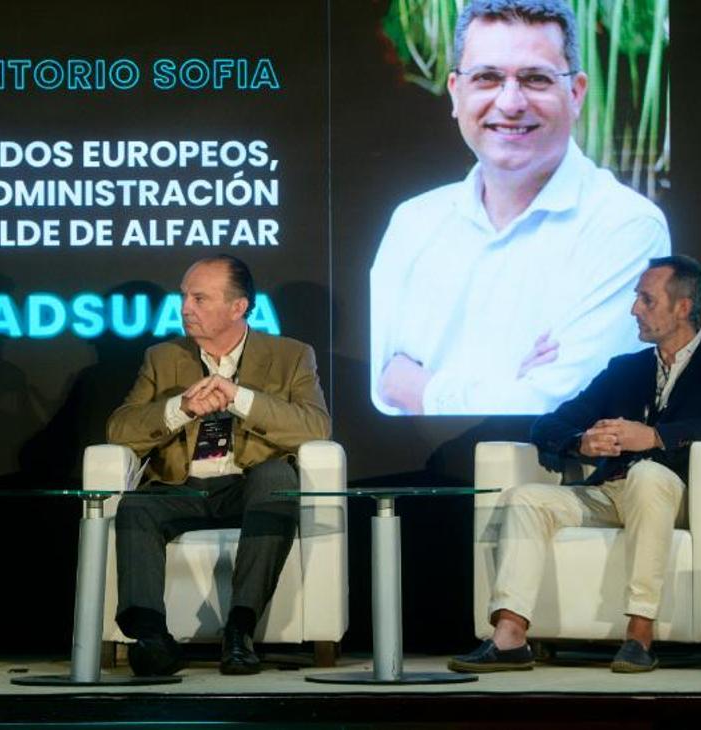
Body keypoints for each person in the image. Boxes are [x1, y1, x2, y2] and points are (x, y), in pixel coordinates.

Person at [450, 255, 701, 673]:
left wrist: (654, 437)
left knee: (649, 475)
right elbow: (548, 424)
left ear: (682, 307)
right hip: (611, 492)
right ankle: (509, 637)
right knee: (525, 499)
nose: (635, 310)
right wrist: (582, 443)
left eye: (646, 300)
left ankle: (639, 634)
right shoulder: (624, 370)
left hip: (678, 496)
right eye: (636, 299)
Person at [369, 0, 670, 416]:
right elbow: (378, 391)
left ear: (576, 93)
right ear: (456, 92)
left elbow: (564, 409)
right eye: (488, 78)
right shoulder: (413, 223)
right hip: (411, 477)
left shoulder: (626, 227)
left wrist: (424, 390)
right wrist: (510, 384)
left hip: (555, 481)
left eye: (535, 79)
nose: (510, 103)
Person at [107, 254, 331, 676]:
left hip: (247, 485)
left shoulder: (291, 355)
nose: (185, 308)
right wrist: (181, 408)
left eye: (199, 298)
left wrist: (237, 398)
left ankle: (239, 631)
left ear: (237, 307)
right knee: (135, 506)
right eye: (184, 297)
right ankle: (151, 636)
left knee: (278, 480)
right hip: (183, 487)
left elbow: (315, 425)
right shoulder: (162, 357)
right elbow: (120, 428)